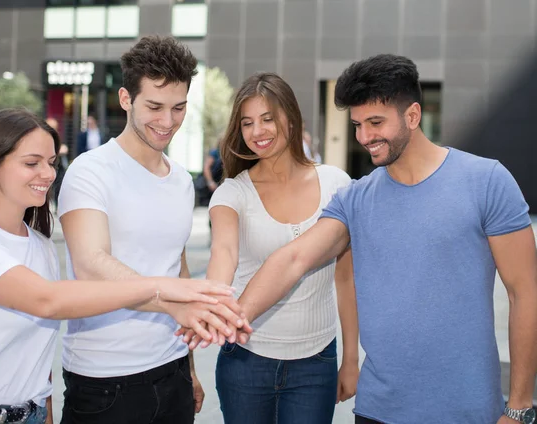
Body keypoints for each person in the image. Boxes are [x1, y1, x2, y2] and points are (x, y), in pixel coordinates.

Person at [233, 55, 537, 424]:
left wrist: (519, 406)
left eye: (376, 122)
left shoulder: (486, 181)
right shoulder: (355, 200)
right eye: (358, 124)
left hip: (467, 410)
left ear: (412, 115)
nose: (364, 137)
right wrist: (228, 317)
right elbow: (292, 259)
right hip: (378, 411)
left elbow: (525, 293)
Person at [0, 108, 243, 424]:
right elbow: (48, 301)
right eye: (32, 163)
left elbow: (38, 360)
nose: (48, 173)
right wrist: (164, 288)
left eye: (51, 162)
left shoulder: (40, 246)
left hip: (32, 413)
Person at [57, 35, 251, 424]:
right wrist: (176, 303)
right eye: (155, 107)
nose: (168, 121)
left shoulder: (180, 180)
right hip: (104, 381)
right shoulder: (91, 170)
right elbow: (92, 264)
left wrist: (191, 368)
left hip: (172, 370)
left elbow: (176, 266)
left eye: (178, 108)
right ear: (126, 99)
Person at [180, 73, 359, 423]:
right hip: (246, 360)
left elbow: (346, 278)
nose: (257, 131)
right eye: (247, 123)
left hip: (317, 360)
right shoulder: (232, 192)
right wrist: (211, 307)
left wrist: (351, 358)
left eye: (267, 119)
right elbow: (224, 255)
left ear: (290, 120)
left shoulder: (336, 184)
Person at [44, 117, 68, 210]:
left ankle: (57, 206)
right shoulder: (42, 138)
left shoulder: (59, 136)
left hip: (58, 166)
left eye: (55, 127)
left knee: (59, 186)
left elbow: (65, 148)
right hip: (47, 166)